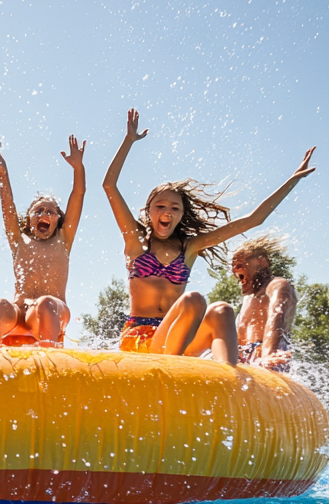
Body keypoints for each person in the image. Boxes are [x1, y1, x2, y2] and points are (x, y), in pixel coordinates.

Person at [101, 108, 315, 365]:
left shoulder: (189, 247)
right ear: (149, 212)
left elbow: (253, 220)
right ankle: (174, 369)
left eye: (174, 208)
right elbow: (109, 185)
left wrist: (293, 180)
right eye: (160, 206)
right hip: (142, 338)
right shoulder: (136, 242)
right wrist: (128, 141)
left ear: (181, 215)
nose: (167, 212)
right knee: (193, 299)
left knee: (223, 310)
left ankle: (229, 380)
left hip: (178, 338)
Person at [0, 135, 87, 347]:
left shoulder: (63, 240)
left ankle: (50, 361)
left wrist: (78, 168)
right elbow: (7, 205)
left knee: (45, 303)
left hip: (50, 313)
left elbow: (78, 194)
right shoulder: (19, 240)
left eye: (51, 212)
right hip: (20, 313)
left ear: (58, 220)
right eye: (38, 211)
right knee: (0, 306)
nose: (44, 214)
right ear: (29, 218)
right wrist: (3, 174)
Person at [227, 234, 296, 371]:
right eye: (233, 266)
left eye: (240, 264)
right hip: (243, 358)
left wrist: (268, 355)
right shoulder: (248, 299)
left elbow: (276, 317)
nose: (234, 270)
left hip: (266, 355)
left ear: (261, 261)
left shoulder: (277, 285)